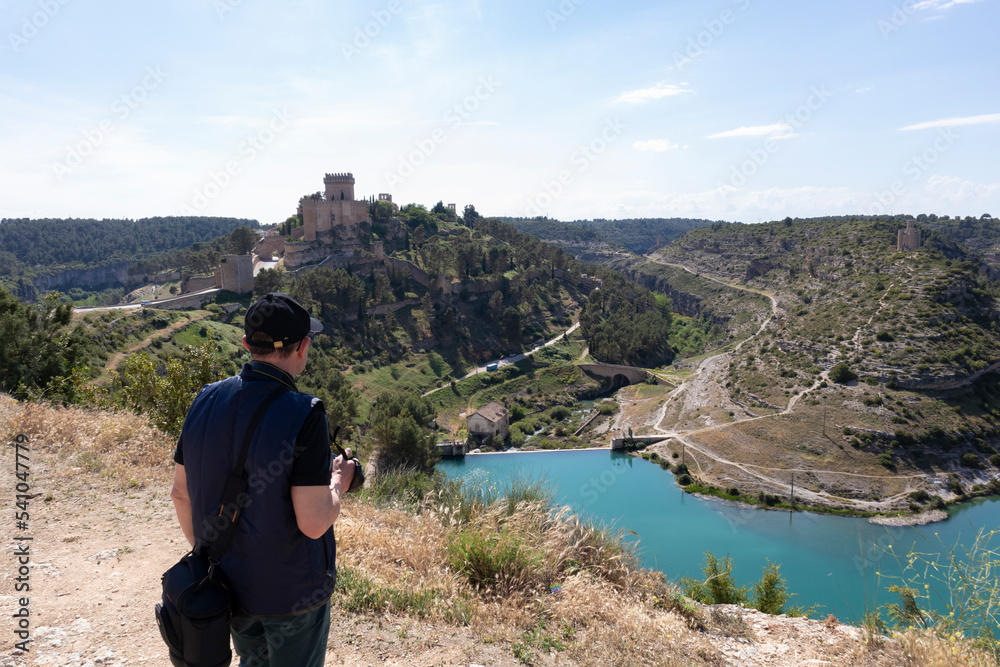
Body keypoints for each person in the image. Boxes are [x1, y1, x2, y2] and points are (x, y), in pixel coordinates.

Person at [170, 292, 356, 666]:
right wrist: (340, 482)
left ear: (246, 344)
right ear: (303, 347)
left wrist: (214, 558)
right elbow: (314, 522)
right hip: (293, 595)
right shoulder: (305, 414)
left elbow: (180, 494)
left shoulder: (203, 400)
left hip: (228, 586)